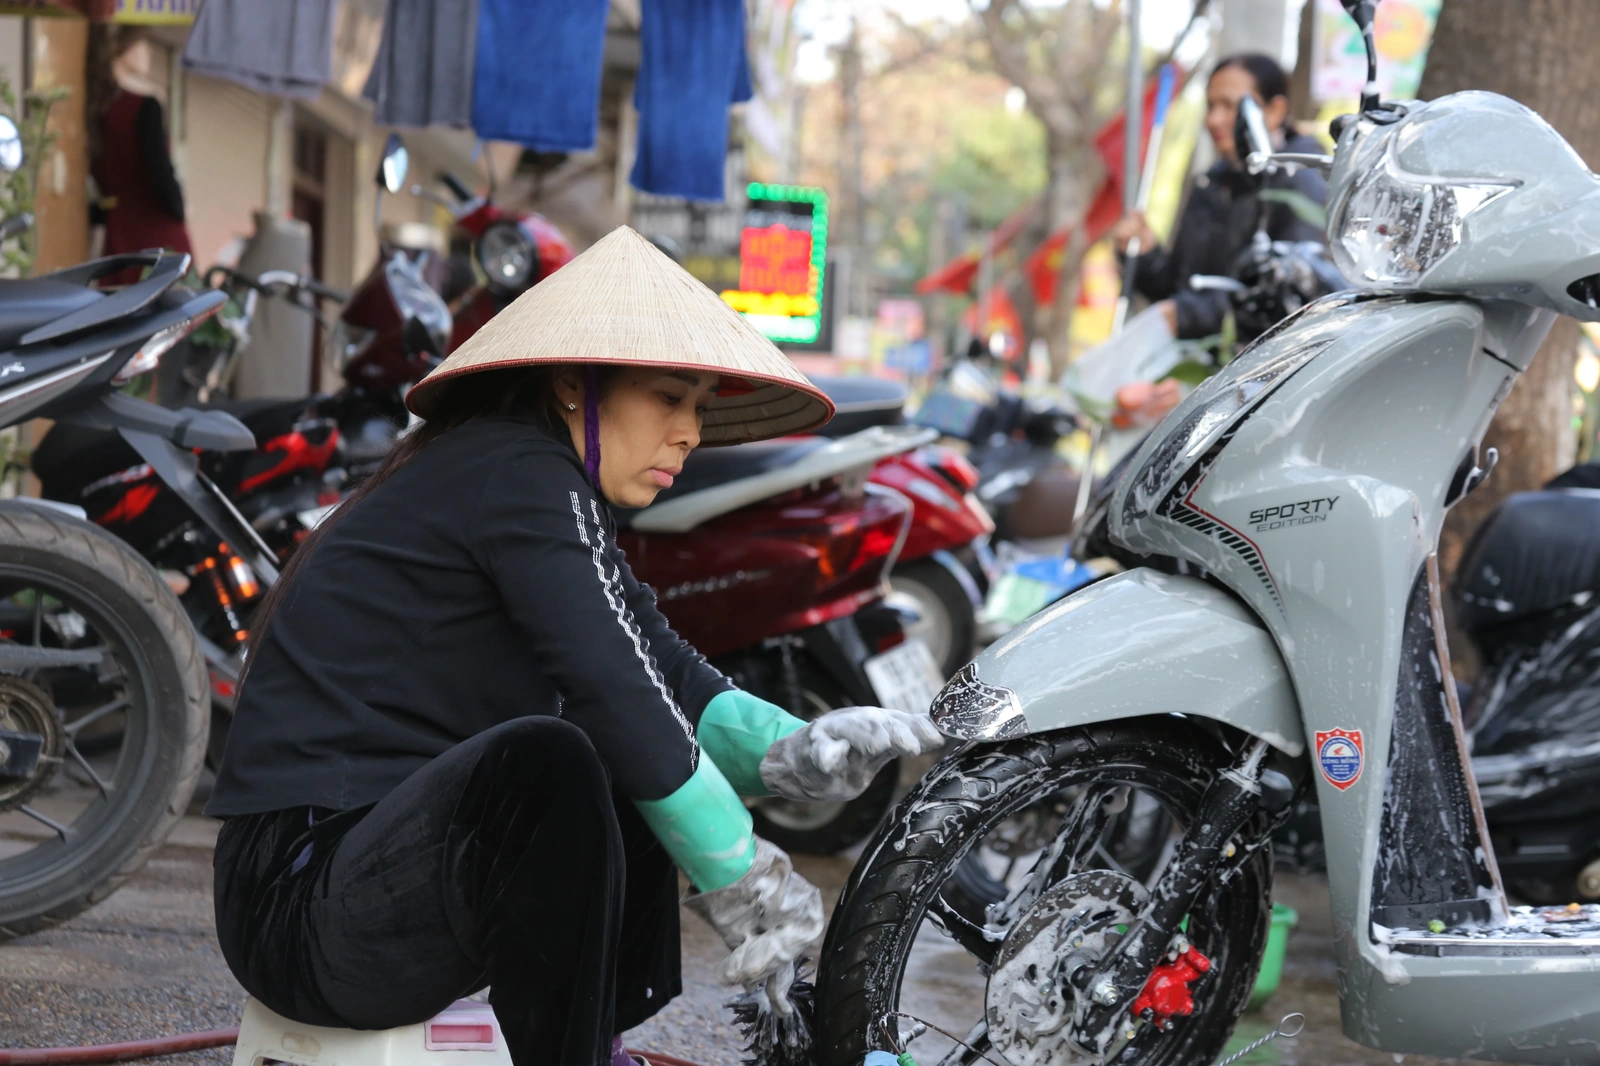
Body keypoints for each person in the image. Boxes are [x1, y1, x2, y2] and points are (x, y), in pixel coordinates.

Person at [206, 226, 944, 1066]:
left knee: (615, 749)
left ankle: (599, 1039)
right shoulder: (518, 473)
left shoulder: (534, 483)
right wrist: (740, 874)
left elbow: (651, 663)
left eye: (699, 406)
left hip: (363, 884)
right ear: (571, 384)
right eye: (670, 398)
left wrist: (792, 751)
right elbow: (613, 686)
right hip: (299, 897)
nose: (690, 433)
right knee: (554, 763)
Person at [1109, 53, 1328, 341]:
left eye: (1230, 105)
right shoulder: (1211, 183)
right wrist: (1147, 256)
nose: (1213, 119)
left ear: (1274, 110)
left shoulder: (1303, 183)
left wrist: (1189, 315)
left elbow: (1298, 295)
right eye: (1211, 106)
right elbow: (1180, 290)